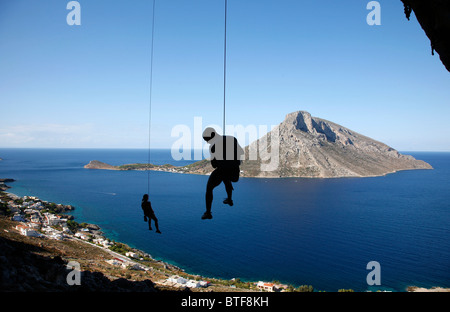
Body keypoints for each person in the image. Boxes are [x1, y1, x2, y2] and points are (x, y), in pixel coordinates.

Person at [201, 127, 244, 220]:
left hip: (223, 171)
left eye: (207, 140)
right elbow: (241, 152)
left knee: (209, 189)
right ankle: (229, 199)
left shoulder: (212, 146)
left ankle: (208, 212)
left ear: (212, 136)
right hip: (234, 172)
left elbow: (214, 165)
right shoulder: (232, 138)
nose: (207, 142)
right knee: (226, 177)